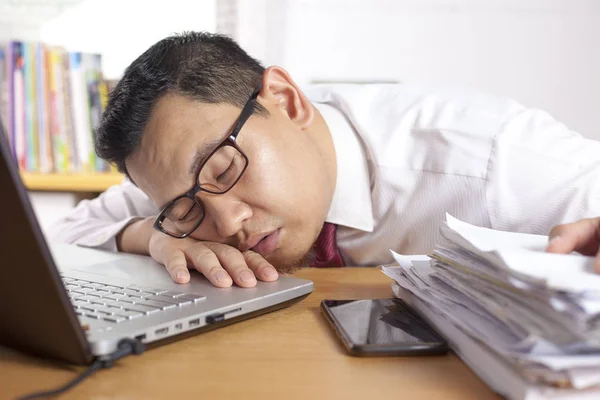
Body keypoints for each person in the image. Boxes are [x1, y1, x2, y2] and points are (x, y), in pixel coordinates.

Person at [49, 31, 600, 289]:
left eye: (221, 169)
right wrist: (157, 234)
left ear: (286, 101)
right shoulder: (187, 198)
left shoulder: (494, 161)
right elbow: (66, 230)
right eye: (185, 209)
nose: (226, 224)